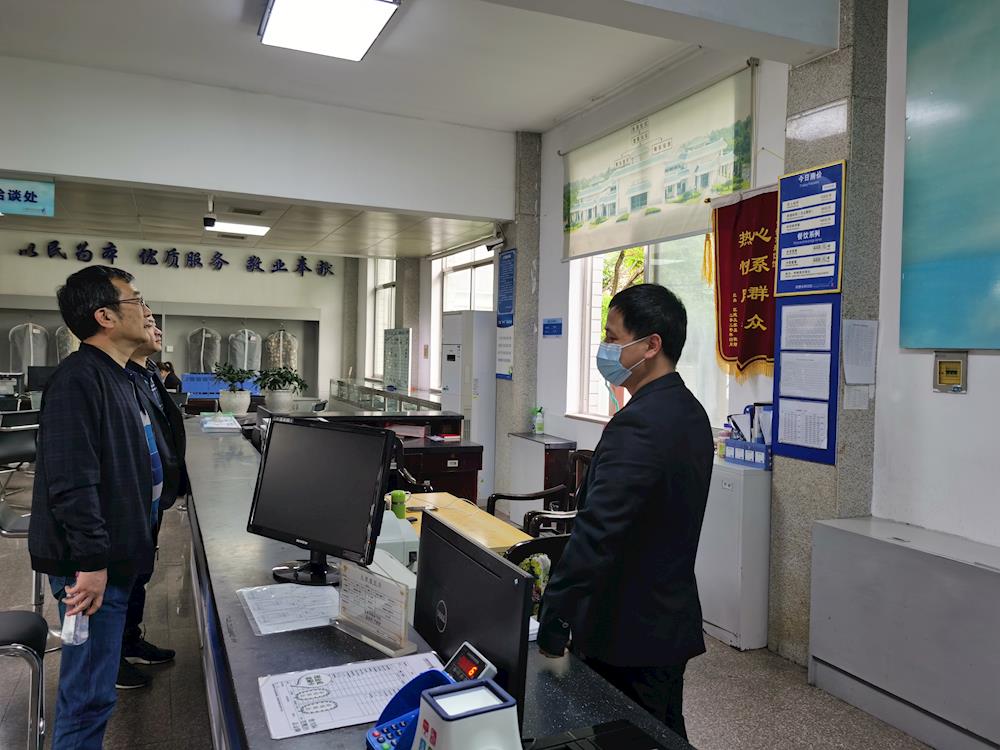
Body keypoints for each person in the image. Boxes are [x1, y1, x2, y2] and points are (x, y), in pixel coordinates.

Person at [537, 284, 714, 741]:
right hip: (665, 618)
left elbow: (599, 532)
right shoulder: (689, 411)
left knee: (631, 735)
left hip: (627, 629)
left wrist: (555, 617)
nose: (605, 348)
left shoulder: (641, 423)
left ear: (651, 345)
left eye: (613, 338)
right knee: (662, 729)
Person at [28, 266, 158, 749]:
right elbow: (71, 483)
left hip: (111, 555)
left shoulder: (118, 374)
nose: (146, 310)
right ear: (105, 316)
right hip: (89, 569)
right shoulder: (78, 379)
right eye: (136, 300)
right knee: (88, 697)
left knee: (95, 690)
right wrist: (92, 563)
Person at [118, 318, 189, 688]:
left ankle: (130, 641)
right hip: (126, 506)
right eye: (147, 321)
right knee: (122, 581)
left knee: (139, 576)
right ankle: (112, 659)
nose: (157, 329)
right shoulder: (116, 377)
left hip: (150, 501)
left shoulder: (146, 372)